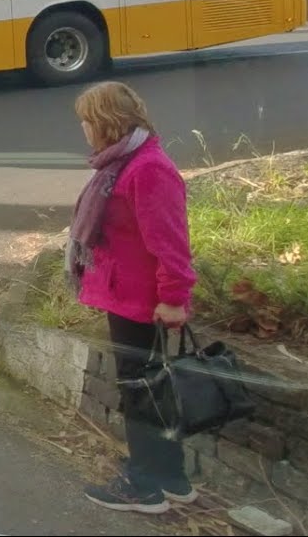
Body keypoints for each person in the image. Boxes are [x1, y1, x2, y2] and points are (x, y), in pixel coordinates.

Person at [67, 81, 198, 514]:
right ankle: (170, 477)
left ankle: (144, 487)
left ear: (104, 123)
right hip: (129, 296)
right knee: (150, 389)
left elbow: (171, 242)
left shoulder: (147, 169)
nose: (83, 129)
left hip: (144, 302)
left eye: (86, 121)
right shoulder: (123, 163)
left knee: (139, 391)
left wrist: (175, 297)